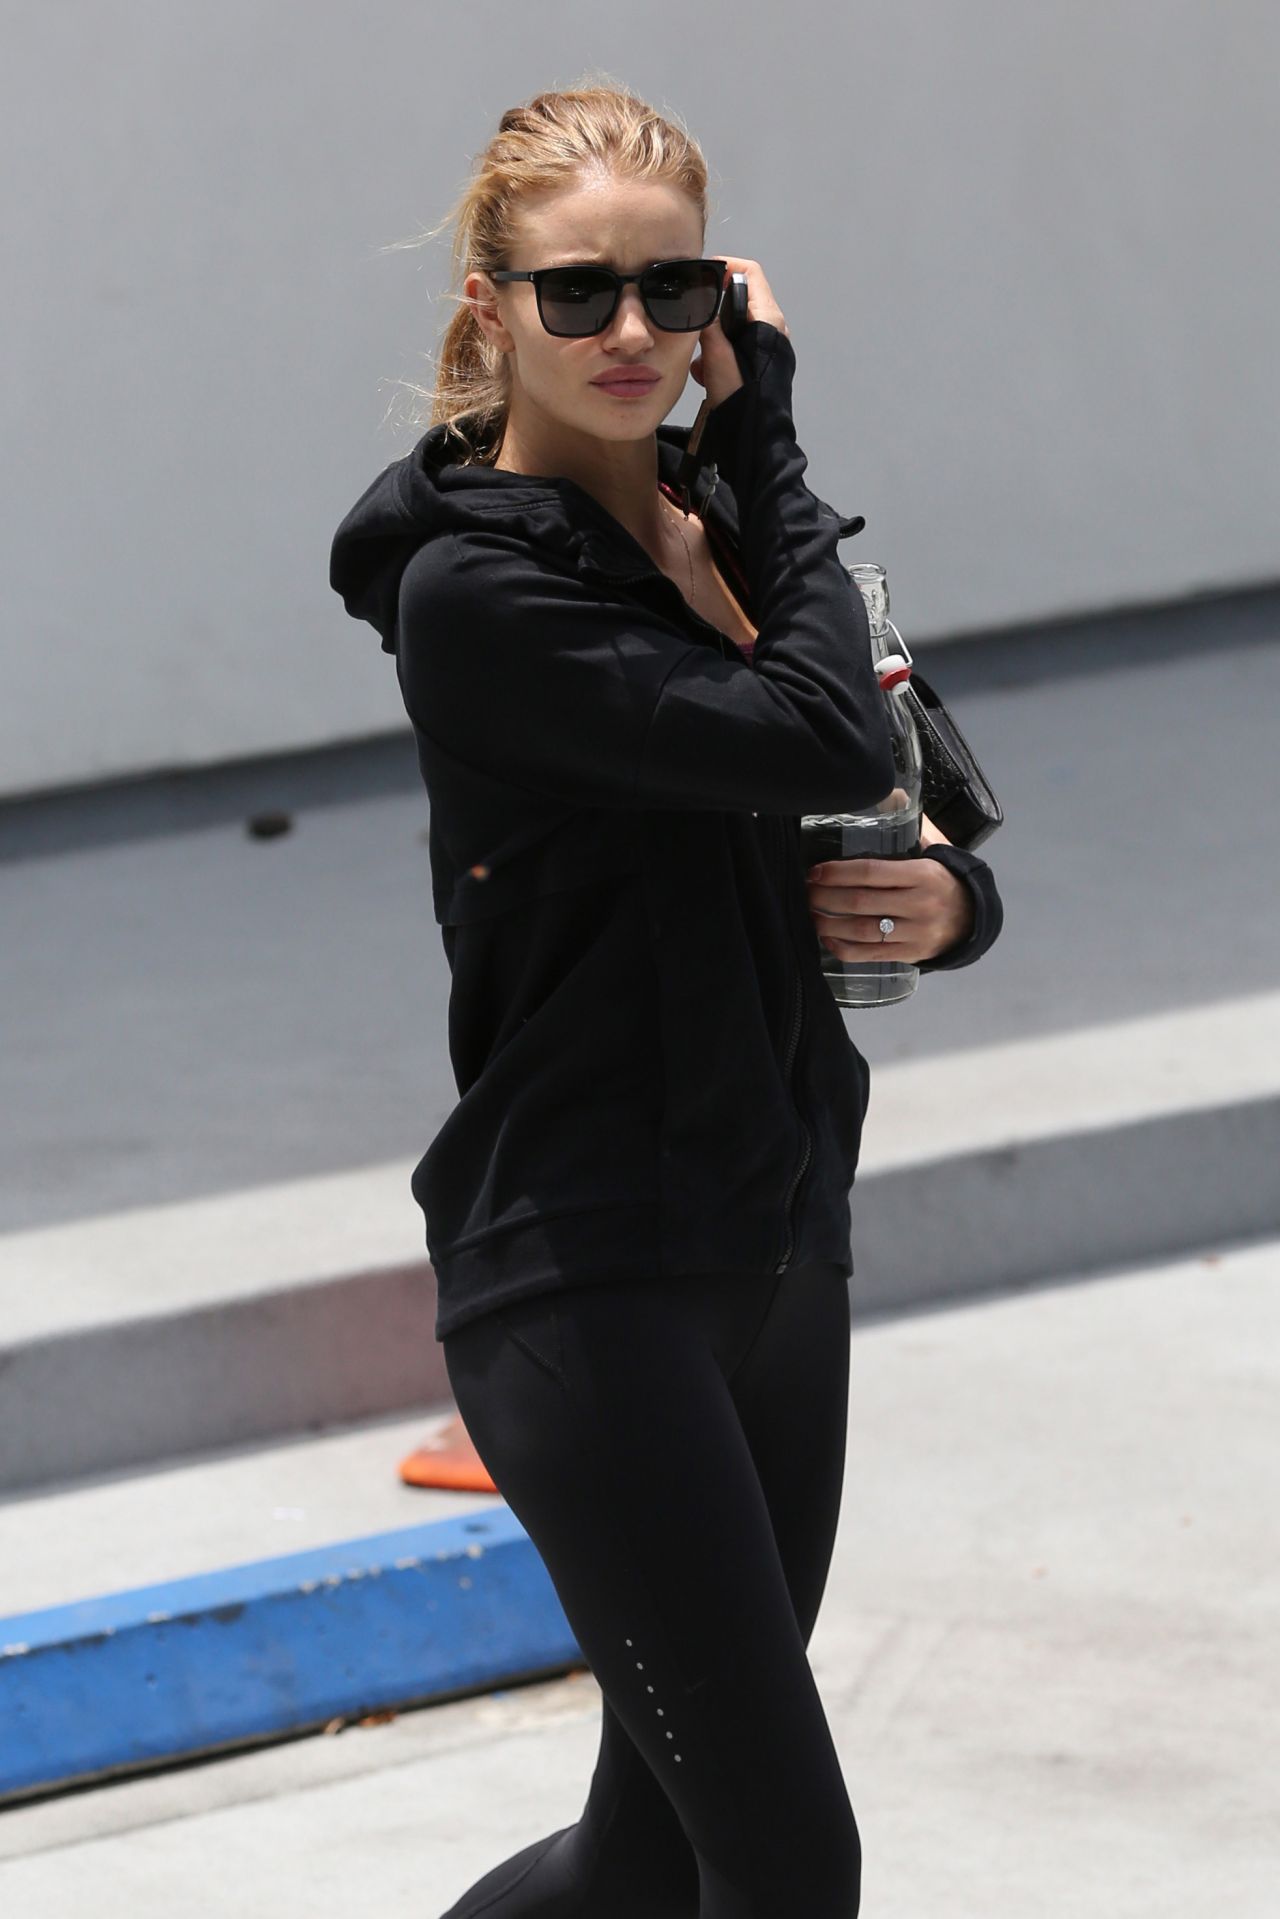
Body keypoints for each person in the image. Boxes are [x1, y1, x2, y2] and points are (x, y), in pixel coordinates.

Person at [330, 77, 1003, 1919]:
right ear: (492, 309)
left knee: (644, 1862)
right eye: (579, 291)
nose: (632, 330)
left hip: (777, 1234)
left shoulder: (741, 527)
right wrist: (767, 424)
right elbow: (812, 728)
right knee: (789, 1867)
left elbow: (910, 795)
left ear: (719, 294)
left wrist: (949, 908)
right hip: (589, 1266)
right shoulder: (477, 593)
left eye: (674, 287)